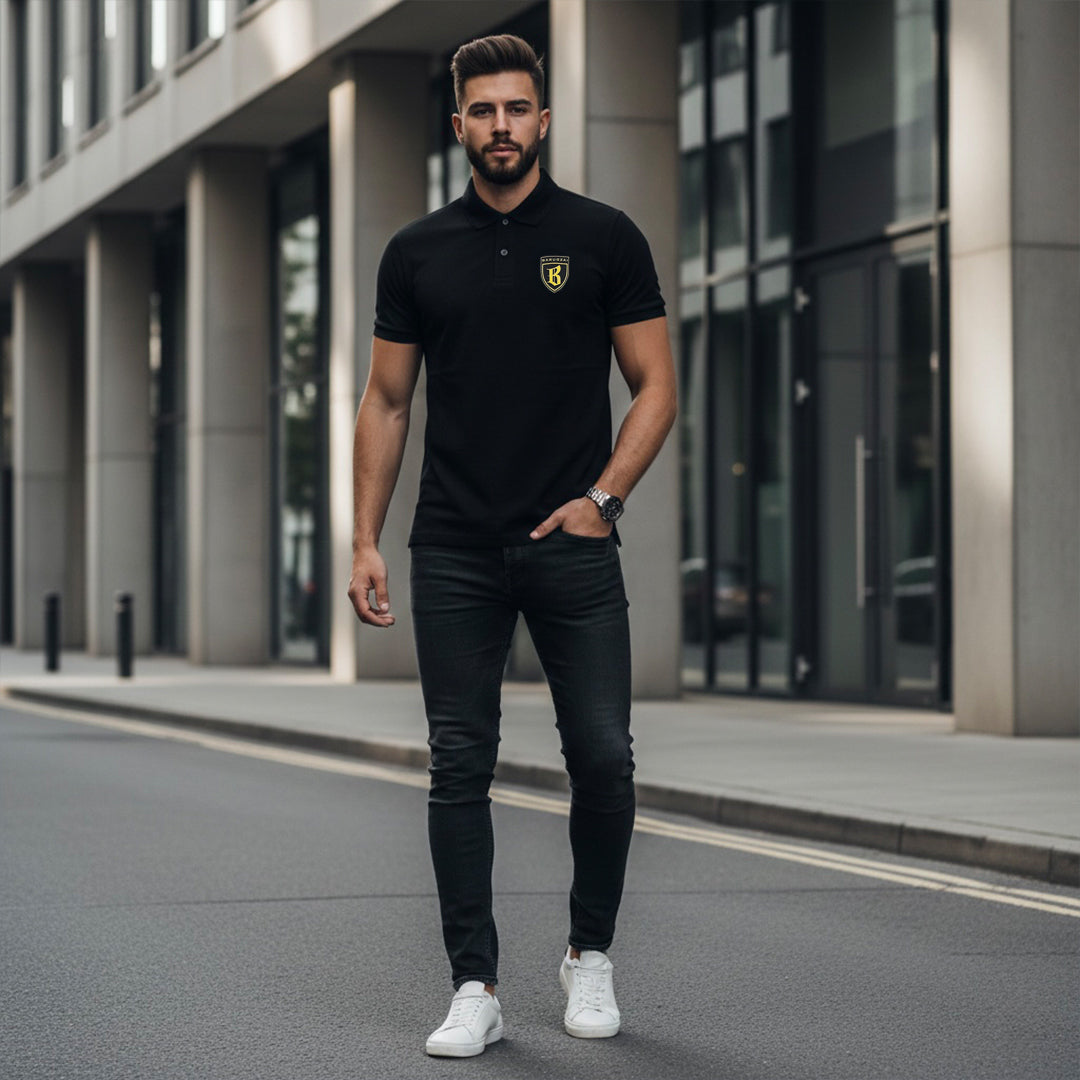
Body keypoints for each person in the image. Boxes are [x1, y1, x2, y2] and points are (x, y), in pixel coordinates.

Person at [348, 33, 676, 1058]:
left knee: (603, 759)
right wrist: (365, 536)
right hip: (451, 545)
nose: (501, 126)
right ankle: (474, 985)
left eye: (516, 108)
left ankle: (590, 957)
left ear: (544, 119)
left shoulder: (604, 237)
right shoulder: (416, 253)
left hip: (573, 543)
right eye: (481, 111)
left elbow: (656, 386)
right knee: (459, 764)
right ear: (459, 126)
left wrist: (604, 499)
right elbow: (387, 401)